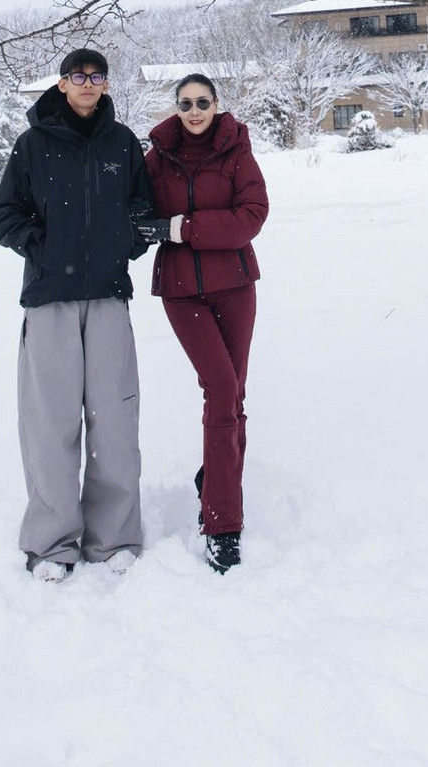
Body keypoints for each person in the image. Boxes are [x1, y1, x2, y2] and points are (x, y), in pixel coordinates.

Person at [0, 47, 153, 583]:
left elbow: (144, 210)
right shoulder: (32, 145)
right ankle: (52, 542)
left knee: (114, 418)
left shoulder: (123, 143)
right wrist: (41, 246)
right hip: (50, 301)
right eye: (77, 76)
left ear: (106, 84)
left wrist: (124, 243)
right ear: (62, 84)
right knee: (50, 422)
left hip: (108, 297)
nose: (88, 83)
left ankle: (113, 537)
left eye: (97, 76)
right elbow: (5, 216)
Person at [141, 75, 268, 573]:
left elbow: (252, 214)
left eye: (203, 103)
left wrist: (182, 228)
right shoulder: (157, 156)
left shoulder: (236, 150)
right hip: (181, 291)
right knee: (219, 387)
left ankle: (214, 478)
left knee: (232, 392)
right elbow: (136, 209)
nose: (194, 111)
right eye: (186, 103)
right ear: (176, 107)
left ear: (217, 105)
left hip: (235, 287)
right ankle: (223, 524)